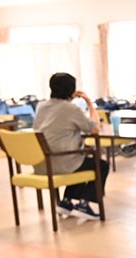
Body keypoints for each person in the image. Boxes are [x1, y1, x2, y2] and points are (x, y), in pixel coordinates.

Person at [33, 72, 108, 219]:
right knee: (100, 165)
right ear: (72, 91)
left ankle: (66, 202)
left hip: (42, 162)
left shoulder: (41, 106)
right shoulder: (70, 109)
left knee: (82, 162)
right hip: (61, 161)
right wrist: (89, 103)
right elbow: (94, 129)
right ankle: (84, 205)